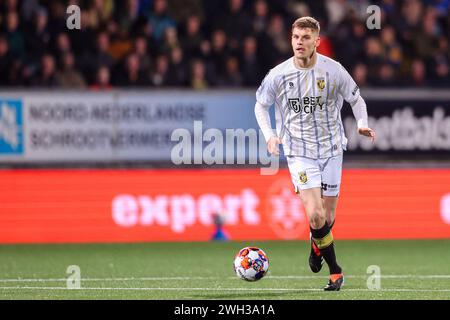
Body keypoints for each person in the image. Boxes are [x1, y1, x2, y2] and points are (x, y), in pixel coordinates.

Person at [254, 16, 375, 291]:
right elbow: (260, 106)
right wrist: (270, 135)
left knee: (327, 219)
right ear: (291, 40)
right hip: (299, 152)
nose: (300, 42)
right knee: (316, 216)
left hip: (332, 148)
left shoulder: (333, 71)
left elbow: (356, 100)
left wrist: (363, 123)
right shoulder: (279, 74)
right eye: (296, 37)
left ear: (316, 42)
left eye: (306, 38)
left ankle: (315, 243)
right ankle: (336, 272)